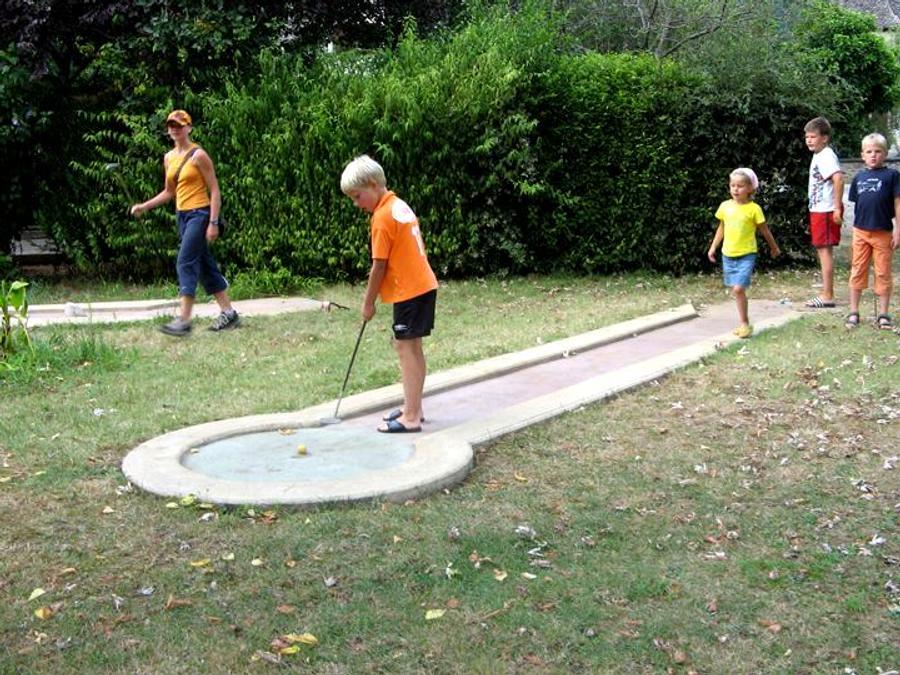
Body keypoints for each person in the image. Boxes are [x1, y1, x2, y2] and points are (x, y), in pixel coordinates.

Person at [340, 155, 438, 433]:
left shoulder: (382, 217)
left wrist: (368, 303)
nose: (356, 204)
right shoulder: (397, 205)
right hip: (421, 286)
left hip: (410, 290)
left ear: (373, 185)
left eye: (357, 196)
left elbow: (379, 266)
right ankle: (413, 407)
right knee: (411, 348)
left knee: (406, 349)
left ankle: (411, 416)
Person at [130, 109, 239, 336]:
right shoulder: (169, 158)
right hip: (182, 216)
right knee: (204, 265)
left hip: (200, 214)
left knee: (185, 262)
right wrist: (144, 206)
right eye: (171, 125)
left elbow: (215, 190)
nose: (175, 129)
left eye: (180, 125)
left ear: (189, 128)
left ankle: (184, 319)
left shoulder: (199, 155)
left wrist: (213, 222)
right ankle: (228, 313)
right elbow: (169, 192)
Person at [707, 168, 781, 338]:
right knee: (736, 290)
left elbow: (764, 230)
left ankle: (744, 324)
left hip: (747, 254)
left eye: (740, 186)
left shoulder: (754, 209)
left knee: (739, 288)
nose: (735, 189)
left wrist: (774, 247)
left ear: (750, 189)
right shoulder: (725, 206)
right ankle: (744, 323)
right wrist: (713, 247)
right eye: (732, 185)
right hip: (728, 254)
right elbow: (721, 228)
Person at [844, 132, 900, 329]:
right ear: (862, 155)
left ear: (884, 154)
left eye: (877, 151)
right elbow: (858, 204)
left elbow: (897, 204)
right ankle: (853, 311)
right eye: (869, 152)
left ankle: (883, 314)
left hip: (883, 232)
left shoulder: (892, 176)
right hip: (861, 231)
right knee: (857, 269)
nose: (873, 155)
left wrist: (898, 230)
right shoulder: (859, 177)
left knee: (883, 272)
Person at [803, 116, 844, 309]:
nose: (809, 140)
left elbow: (838, 179)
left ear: (824, 138)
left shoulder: (826, 155)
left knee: (824, 251)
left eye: (813, 136)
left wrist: (836, 207)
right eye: (807, 137)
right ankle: (826, 292)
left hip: (825, 210)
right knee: (822, 250)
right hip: (818, 210)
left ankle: (828, 295)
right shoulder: (819, 155)